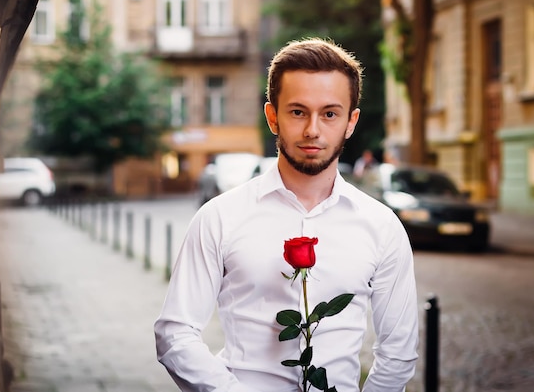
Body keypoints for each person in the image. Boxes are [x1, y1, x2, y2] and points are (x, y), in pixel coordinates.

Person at [154, 38, 419, 392]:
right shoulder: (219, 217)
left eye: (329, 113)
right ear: (272, 117)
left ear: (350, 122)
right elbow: (175, 333)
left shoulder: (382, 226)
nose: (313, 129)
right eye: (297, 112)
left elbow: (398, 352)